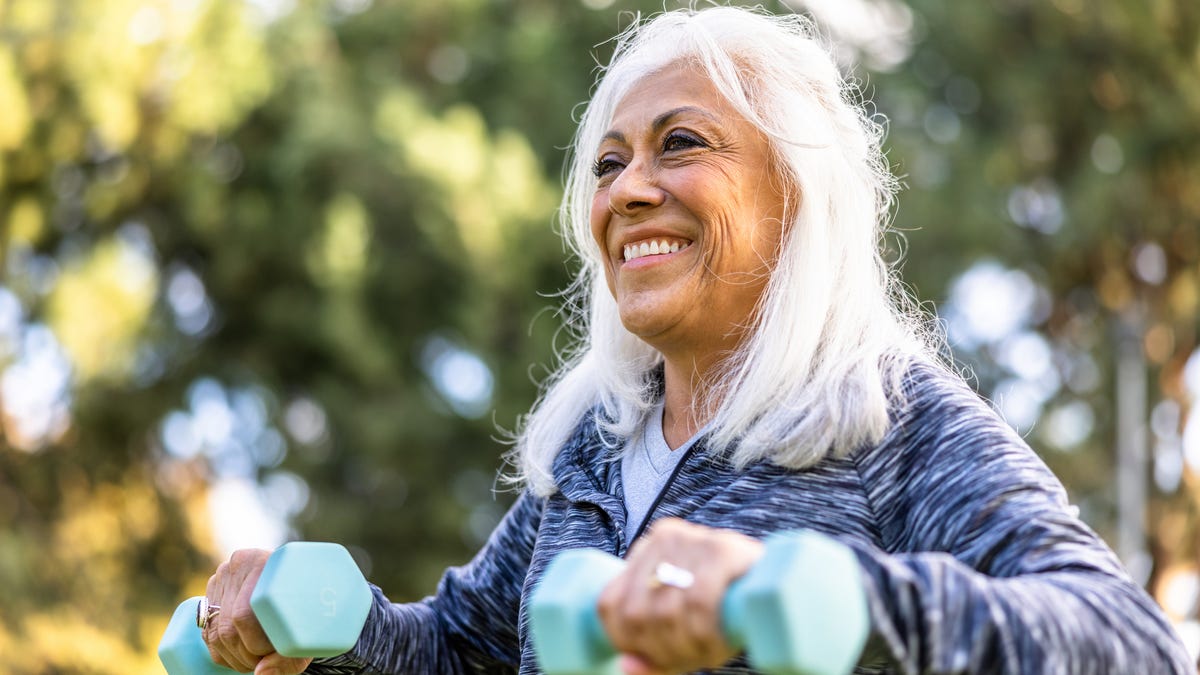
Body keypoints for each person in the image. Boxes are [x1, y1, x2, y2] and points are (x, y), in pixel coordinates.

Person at [198, 6, 1193, 675]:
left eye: (682, 143)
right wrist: (325, 631)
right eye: (608, 162)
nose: (627, 190)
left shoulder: (890, 420)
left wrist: (829, 600)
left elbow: (1129, 643)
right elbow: (463, 651)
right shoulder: (596, 445)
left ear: (796, 193)